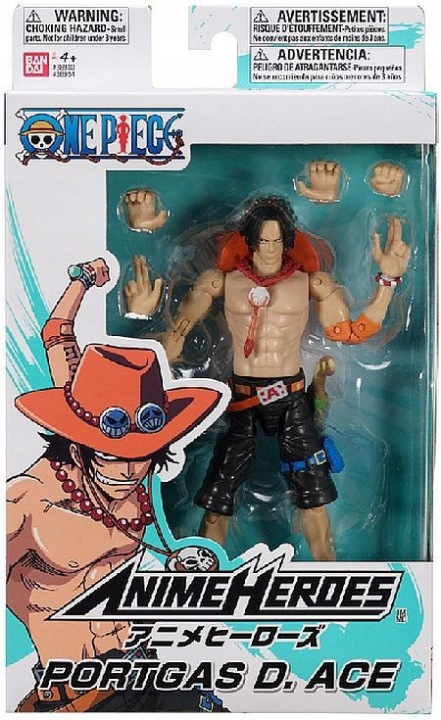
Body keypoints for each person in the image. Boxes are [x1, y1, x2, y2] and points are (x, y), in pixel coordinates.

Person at [124, 164, 411, 562]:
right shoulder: (220, 281)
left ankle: (327, 569)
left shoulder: (313, 283)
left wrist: (388, 283)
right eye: (263, 240)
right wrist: (143, 316)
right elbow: (172, 343)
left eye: (277, 240)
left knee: (313, 495)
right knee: (218, 495)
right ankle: (201, 569)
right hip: (242, 398)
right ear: (250, 240)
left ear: (289, 241)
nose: (270, 249)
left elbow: (352, 332)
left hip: (291, 397)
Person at [7, 259, 227, 712]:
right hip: (74, 693)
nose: (128, 470)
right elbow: (56, 333)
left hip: (142, 669)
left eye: (141, 454)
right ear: (80, 446)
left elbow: (62, 341)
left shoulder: (104, 412)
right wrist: (83, 279)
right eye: (111, 454)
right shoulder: (29, 500)